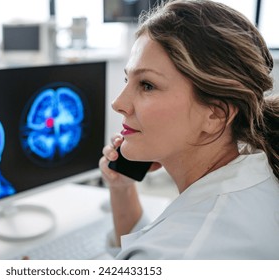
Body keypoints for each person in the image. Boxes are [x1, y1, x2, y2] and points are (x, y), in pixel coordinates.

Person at [99, 0, 279, 259]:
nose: (118, 104)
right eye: (128, 80)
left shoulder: (185, 252)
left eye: (147, 85)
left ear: (215, 115)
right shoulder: (258, 171)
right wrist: (122, 187)